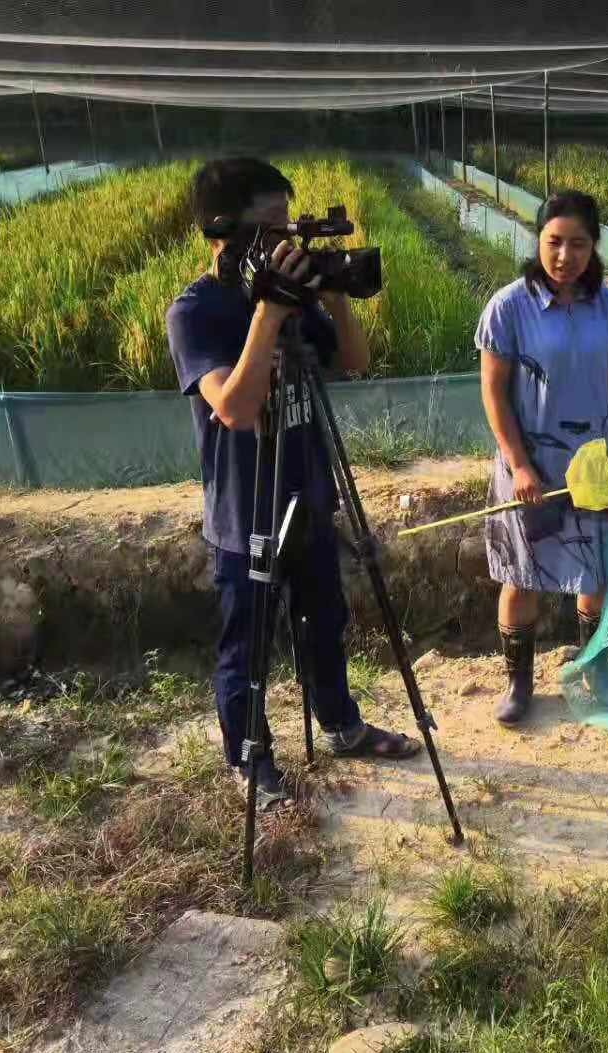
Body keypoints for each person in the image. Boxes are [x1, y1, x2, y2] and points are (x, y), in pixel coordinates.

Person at [167, 158, 421, 811]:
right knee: (248, 646)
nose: (287, 240)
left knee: (325, 622)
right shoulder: (197, 311)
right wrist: (269, 314)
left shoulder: (293, 295)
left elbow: (356, 361)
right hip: (246, 509)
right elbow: (235, 409)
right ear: (224, 230)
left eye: (291, 225)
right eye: (273, 225)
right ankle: (250, 761)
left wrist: (333, 289)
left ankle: (342, 726)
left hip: (308, 492)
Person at [476, 190, 608, 726]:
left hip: (594, 461)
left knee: (594, 572)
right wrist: (520, 465)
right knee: (521, 575)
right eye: (554, 242)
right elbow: (493, 394)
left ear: (594, 248)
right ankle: (519, 683)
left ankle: (596, 668)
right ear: (539, 241)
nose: (564, 256)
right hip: (531, 465)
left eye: (578, 244)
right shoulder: (509, 306)